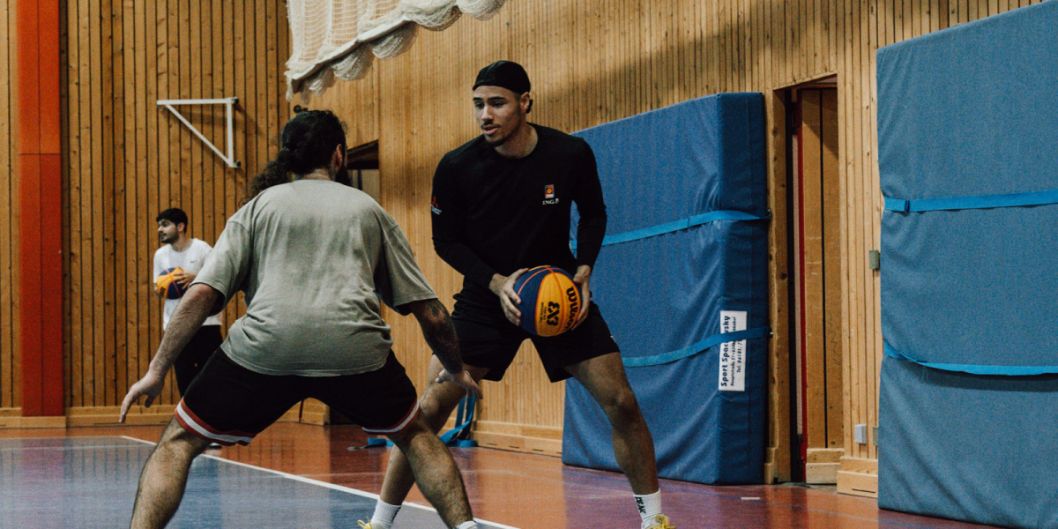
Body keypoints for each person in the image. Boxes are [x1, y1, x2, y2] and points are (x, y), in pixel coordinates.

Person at [120, 110, 484, 529]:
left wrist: (156, 370)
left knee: (179, 442)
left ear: (287, 159)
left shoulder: (258, 208)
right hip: (354, 349)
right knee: (416, 436)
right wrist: (455, 370)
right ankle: (467, 528)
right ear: (338, 156)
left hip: (265, 350)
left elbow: (201, 295)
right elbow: (431, 312)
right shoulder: (369, 210)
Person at [362, 61, 675, 529]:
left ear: (525, 103)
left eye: (497, 103)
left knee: (622, 402)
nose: (485, 114)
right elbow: (446, 241)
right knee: (428, 409)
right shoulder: (457, 166)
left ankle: (654, 521)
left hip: (558, 298)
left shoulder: (570, 154)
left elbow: (593, 214)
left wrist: (585, 269)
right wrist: (497, 283)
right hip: (486, 299)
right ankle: (380, 522)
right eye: (478, 105)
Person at [153, 208, 222, 396]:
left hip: (206, 323)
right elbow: (157, 288)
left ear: (180, 226)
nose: (160, 229)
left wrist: (196, 277)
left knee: (212, 377)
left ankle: (214, 421)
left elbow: (219, 278)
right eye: (159, 225)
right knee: (184, 378)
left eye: (165, 225)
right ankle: (191, 423)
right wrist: (163, 288)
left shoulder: (202, 249)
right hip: (176, 325)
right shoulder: (160, 255)